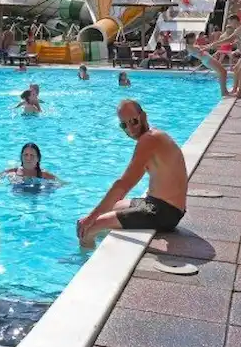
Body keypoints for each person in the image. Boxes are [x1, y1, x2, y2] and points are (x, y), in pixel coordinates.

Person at [76, 100, 187, 248]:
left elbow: (124, 184)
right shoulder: (154, 135)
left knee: (90, 227)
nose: (130, 129)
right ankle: (105, 244)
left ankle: (83, 259)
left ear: (143, 117)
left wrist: (91, 217)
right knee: (114, 206)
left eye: (133, 121)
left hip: (163, 212)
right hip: (163, 206)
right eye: (124, 125)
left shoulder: (149, 139)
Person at [206, 15, 241, 98]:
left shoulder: (240, 28)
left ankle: (239, 93)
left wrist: (215, 43)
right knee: (235, 69)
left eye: (230, 22)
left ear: (235, 20)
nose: (230, 25)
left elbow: (229, 39)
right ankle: (235, 89)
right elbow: (237, 40)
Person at [185, 32, 228, 97]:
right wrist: (207, 47)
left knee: (223, 72)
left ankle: (224, 91)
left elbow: (202, 47)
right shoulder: (189, 47)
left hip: (207, 59)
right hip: (207, 60)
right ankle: (223, 92)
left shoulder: (192, 45)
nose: (196, 39)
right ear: (190, 39)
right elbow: (200, 52)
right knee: (222, 72)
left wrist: (211, 45)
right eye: (194, 38)